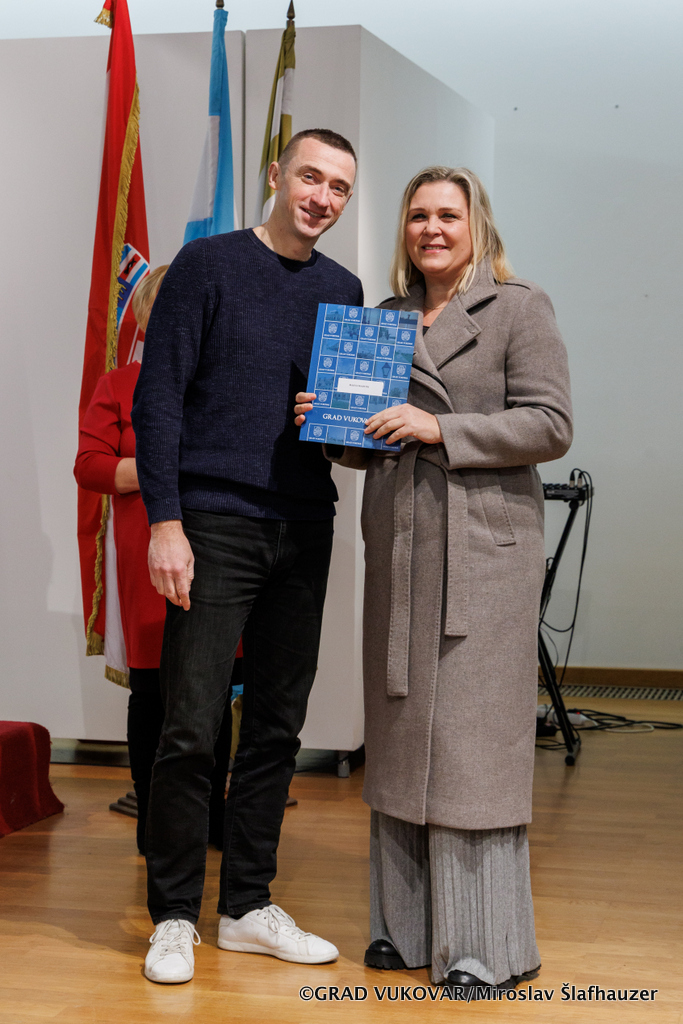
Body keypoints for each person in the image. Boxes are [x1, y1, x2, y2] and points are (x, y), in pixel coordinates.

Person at [295, 166, 572, 996]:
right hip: (402, 549)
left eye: (447, 215)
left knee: (470, 748)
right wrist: (330, 426)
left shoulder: (518, 307)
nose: (431, 229)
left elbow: (550, 424)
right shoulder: (381, 319)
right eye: (418, 215)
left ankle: (484, 944)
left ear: (475, 224)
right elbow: (372, 440)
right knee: (400, 736)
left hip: (482, 556)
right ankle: (403, 928)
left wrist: (439, 425)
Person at [131, 128, 363, 984]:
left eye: (338, 188)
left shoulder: (344, 289)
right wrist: (165, 522)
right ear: (276, 174)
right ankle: (173, 917)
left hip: (305, 525)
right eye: (310, 177)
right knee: (190, 727)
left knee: (275, 728)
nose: (321, 197)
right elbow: (158, 399)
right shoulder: (207, 265)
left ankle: (245, 908)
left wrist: (336, 423)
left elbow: (345, 435)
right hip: (213, 523)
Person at [74, 267, 237, 855]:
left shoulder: (224, 382)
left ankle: (211, 820)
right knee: (152, 692)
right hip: (149, 553)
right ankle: (154, 822)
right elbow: (89, 466)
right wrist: (160, 468)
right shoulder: (119, 384)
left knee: (214, 691)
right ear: (145, 315)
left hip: (221, 549)